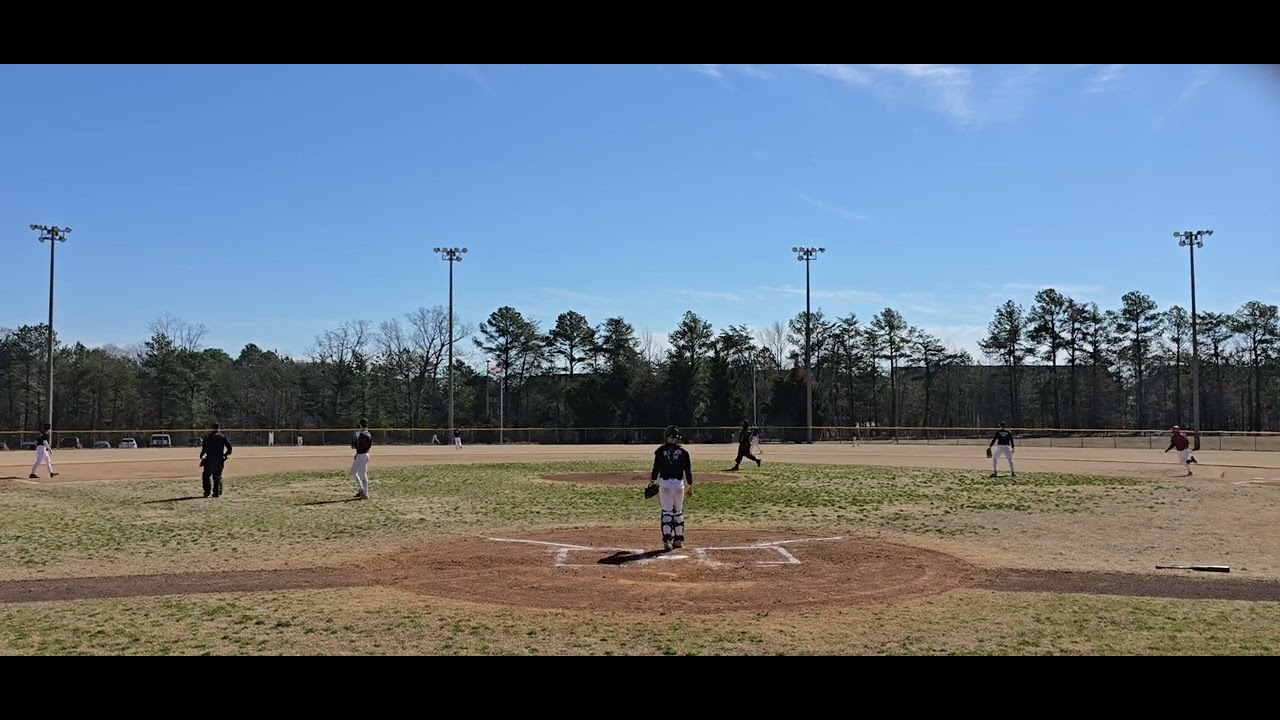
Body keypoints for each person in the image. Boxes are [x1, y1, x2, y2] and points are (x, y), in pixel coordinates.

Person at [650, 424, 694, 551]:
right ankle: (679, 539)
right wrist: (690, 485)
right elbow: (688, 471)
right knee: (678, 511)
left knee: (667, 512)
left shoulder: (660, 451)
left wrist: (652, 481)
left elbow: (656, 469)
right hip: (679, 485)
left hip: (665, 485)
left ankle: (667, 540)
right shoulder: (684, 453)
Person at [199, 423, 233, 497]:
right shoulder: (222, 437)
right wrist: (225, 455)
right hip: (219, 459)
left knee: (206, 476)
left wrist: (201, 456)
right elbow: (229, 448)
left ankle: (207, 491)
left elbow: (204, 449)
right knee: (217, 476)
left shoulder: (207, 438)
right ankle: (216, 492)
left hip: (209, 459)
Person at [350, 418, 373, 499]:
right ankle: (361, 490)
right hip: (363, 455)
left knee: (361, 474)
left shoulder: (362, 434)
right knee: (354, 472)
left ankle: (365, 493)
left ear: (360, 425)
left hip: (362, 455)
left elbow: (360, 445)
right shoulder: (367, 433)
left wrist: (355, 444)